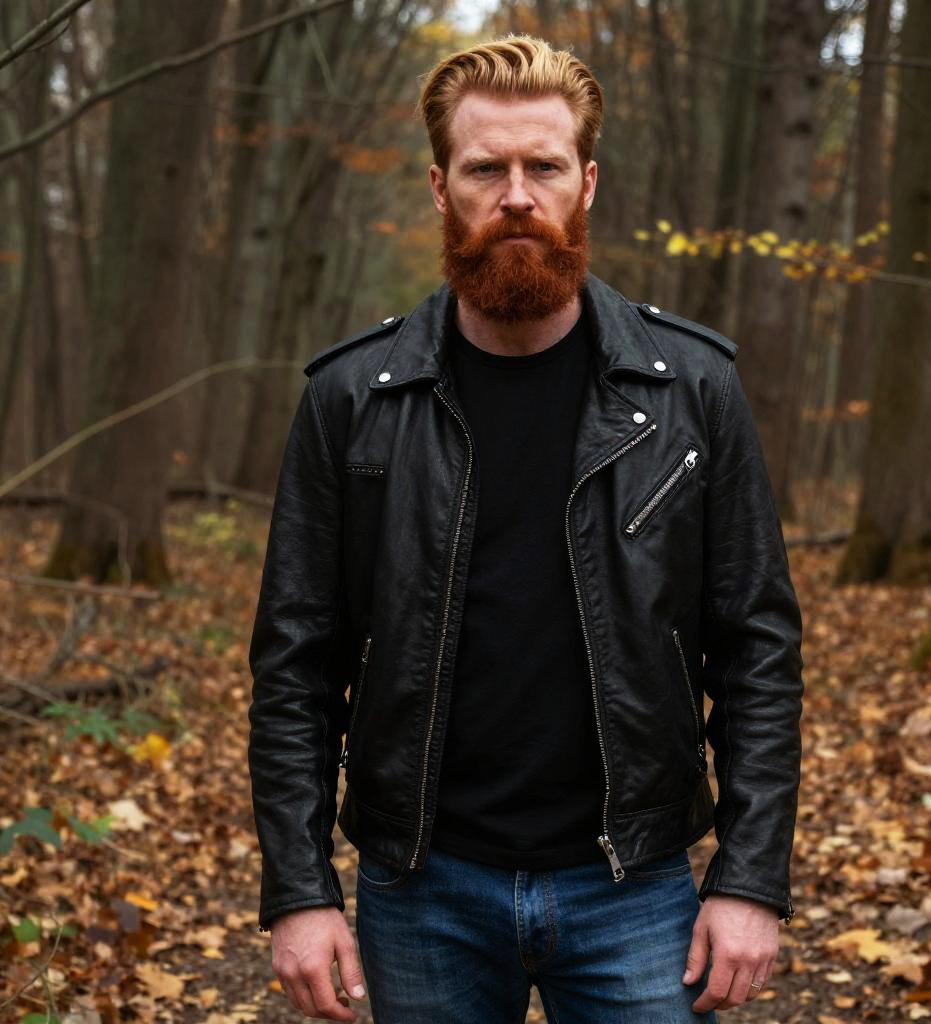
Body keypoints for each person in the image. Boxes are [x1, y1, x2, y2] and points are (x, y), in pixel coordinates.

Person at [248, 35, 803, 1024]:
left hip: (634, 886)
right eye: (484, 169)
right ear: (438, 186)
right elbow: (295, 662)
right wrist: (299, 891)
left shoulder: (691, 391)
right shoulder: (351, 400)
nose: (515, 195)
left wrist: (749, 879)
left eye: (542, 166)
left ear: (585, 182)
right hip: (421, 887)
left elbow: (758, 647)